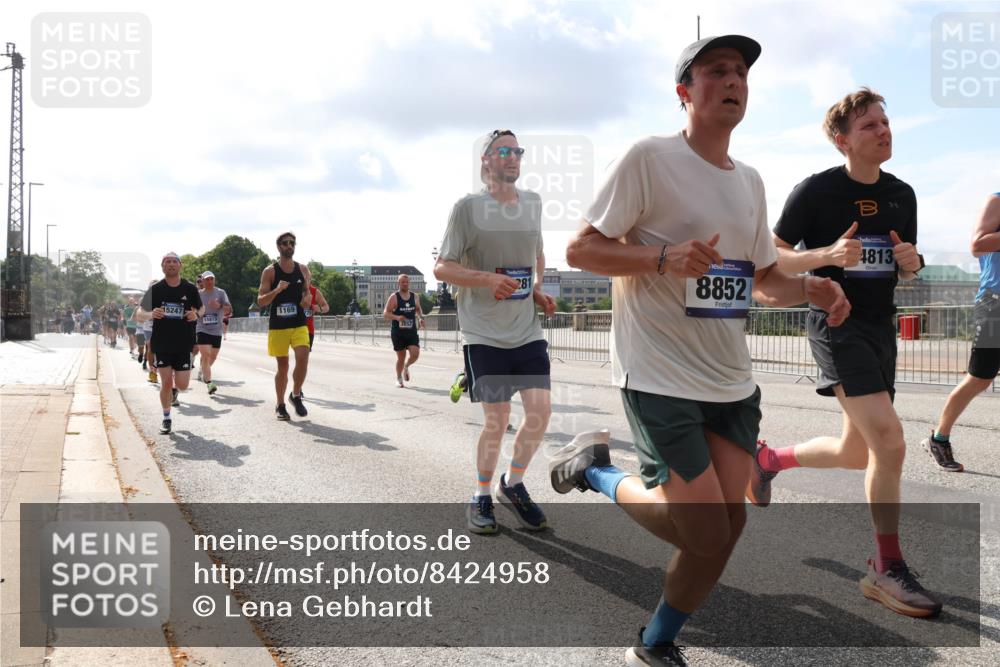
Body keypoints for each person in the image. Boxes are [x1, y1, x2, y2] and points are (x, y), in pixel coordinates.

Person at [548, 36, 850, 666]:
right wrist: (663, 256)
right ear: (685, 91)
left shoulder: (751, 181)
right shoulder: (649, 159)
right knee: (705, 529)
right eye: (717, 71)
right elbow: (580, 251)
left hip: (729, 382)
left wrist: (811, 290)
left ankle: (657, 641)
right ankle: (596, 471)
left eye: (741, 72)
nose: (733, 80)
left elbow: (763, 282)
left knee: (728, 529)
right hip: (657, 372)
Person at [747, 87, 940, 618]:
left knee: (859, 451)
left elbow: (911, 266)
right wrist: (825, 256)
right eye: (869, 126)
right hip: (836, 323)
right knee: (891, 442)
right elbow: (773, 256)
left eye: (885, 121)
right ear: (842, 141)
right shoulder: (815, 192)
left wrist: (912, 260)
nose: (884, 131)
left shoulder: (904, 194)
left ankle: (768, 460)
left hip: (880, 328)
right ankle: (885, 566)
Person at [434, 128, 558, 536]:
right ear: (485, 160)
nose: (513, 157)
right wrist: (487, 279)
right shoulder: (467, 208)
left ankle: (514, 483)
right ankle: (481, 493)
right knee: (497, 418)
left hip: (526, 328)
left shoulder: (534, 203)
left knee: (540, 413)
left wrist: (536, 289)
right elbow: (443, 267)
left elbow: (537, 252)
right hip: (484, 332)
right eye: (503, 151)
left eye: (517, 151)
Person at [922, 192, 1000, 471]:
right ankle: (938, 438)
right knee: (979, 379)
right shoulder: (997, 200)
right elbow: (978, 244)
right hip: (995, 304)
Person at [137, 253, 202, 434]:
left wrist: (195, 314)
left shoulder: (189, 288)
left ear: (180, 266)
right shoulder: (156, 289)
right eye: (167, 262)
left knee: (182, 385)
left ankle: (176, 388)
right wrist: (151, 314)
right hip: (162, 343)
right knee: (165, 382)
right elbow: (139, 313)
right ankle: (166, 418)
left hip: (183, 343)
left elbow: (201, 308)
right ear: (162, 266)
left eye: (174, 261)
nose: (171, 264)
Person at [257, 231, 313, 421]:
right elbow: (261, 301)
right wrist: (277, 290)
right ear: (279, 247)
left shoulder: (303, 269)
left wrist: (307, 299)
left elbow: (308, 292)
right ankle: (280, 404)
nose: (289, 246)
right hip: (279, 326)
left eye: (292, 243)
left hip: (298, 323)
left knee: (303, 357)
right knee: (283, 366)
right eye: (285, 243)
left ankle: (295, 395)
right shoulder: (270, 271)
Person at [383, 274, 425, 387]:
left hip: (411, 331)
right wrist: (397, 318)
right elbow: (385, 313)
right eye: (403, 282)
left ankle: (406, 367)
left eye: (407, 282)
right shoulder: (394, 297)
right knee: (401, 357)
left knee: (415, 354)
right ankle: (398, 378)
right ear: (398, 283)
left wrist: (420, 318)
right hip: (398, 333)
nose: (405, 284)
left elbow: (418, 309)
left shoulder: (415, 296)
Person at [195, 271, 232, 395]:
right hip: (202, 328)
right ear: (203, 281)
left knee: (213, 356)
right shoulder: (198, 294)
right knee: (205, 355)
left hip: (216, 330)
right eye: (207, 279)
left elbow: (229, 310)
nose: (209, 281)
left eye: (212, 279)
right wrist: (198, 312)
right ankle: (209, 383)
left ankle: (203, 370)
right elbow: (192, 309)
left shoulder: (221, 293)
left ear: (214, 280)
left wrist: (219, 305)